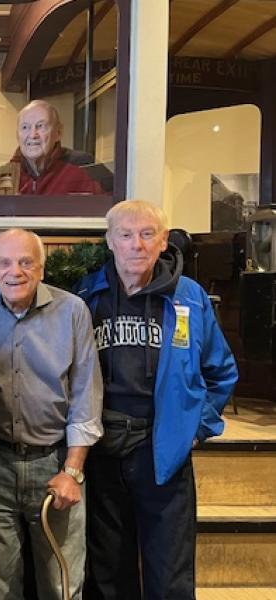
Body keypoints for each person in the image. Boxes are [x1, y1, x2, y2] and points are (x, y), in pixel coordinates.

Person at [76, 200, 238, 600]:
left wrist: (195, 430)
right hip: (103, 447)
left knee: (170, 573)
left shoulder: (189, 298)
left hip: (163, 450)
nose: (137, 245)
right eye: (126, 235)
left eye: (148, 234)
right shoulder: (86, 296)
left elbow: (221, 371)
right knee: (109, 570)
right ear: (109, 241)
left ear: (164, 241)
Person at [0, 228, 103, 600]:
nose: (14, 271)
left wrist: (72, 470)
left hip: (54, 463)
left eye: (25, 262)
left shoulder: (72, 311)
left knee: (61, 584)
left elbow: (86, 393)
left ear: (41, 267)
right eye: (4, 262)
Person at [0, 99, 103, 195]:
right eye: (25, 127)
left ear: (58, 133)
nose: (33, 135)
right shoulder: (0, 177)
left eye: (41, 126)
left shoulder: (84, 166)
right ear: (17, 135)